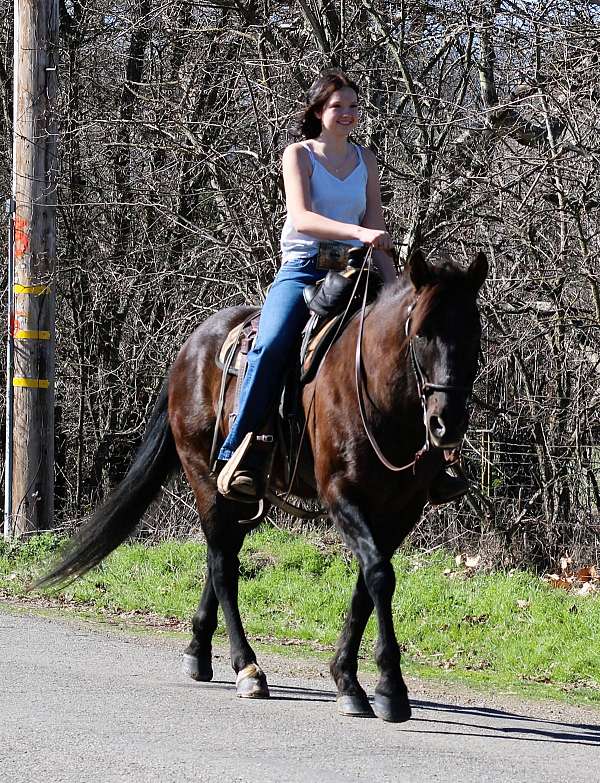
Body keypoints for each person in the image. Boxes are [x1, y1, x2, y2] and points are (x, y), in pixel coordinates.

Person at [216, 69, 467, 505]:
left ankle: (435, 459)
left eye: (353, 107)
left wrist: (398, 288)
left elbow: (377, 225)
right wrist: (361, 235)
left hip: (359, 270)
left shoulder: (364, 159)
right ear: (318, 111)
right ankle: (240, 451)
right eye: (338, 107)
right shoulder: (299, 155)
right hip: (304, 268)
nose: (348, 114)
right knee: (272, 344)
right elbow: (303, 217)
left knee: (412, 344)